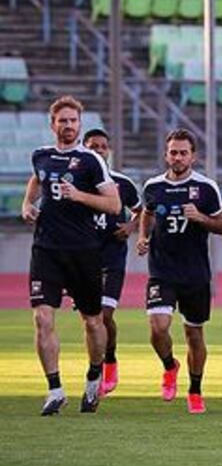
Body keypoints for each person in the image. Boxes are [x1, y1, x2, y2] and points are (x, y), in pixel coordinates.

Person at [23, 96, 121, 415]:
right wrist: (27, 203)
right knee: (42, 317)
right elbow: (38, 178)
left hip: (83, 251)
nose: (68, 126)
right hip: (46, 249)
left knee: (93, 322)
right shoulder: (41, 156)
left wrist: (79, 195)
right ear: (53, 124)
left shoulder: (91, 160)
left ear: (79, 124)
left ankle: (94, 378)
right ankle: (54, 389)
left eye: (73, 121)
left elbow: (114, 205)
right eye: (62, 120)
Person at [136, 130, 222, 414]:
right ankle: (169, 365)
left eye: (183, 152)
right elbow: (147, 213)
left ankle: (195, 389)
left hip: (195, 273)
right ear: (166, 154)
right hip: (162, 270)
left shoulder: (205, 187)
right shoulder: (153, 186)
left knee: (194, 334)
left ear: (193, 156)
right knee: (158, 326)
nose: (177, 157)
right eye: (173, 152)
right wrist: (143, 236)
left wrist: (200, 217)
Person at [81, 127, 142, 396]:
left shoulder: (122, 184)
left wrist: (131, 227)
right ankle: (97, 363)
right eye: (93, 146)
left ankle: (109, 361)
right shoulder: (76, 183)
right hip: (82, 258)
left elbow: (144, 212)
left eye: (102, 147)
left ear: (109, 151)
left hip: (112, 257)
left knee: (104, 315)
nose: (98, 151)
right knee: (90, 319)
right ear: (84, 148)